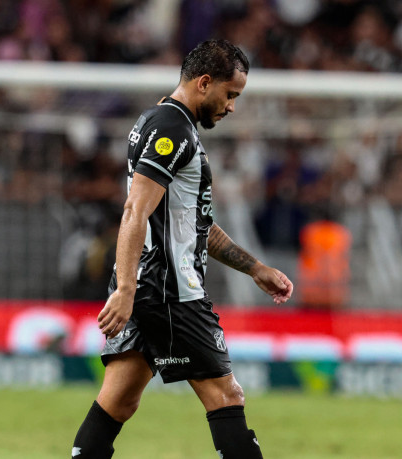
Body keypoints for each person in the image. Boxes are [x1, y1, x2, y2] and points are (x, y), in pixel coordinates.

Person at [71, 39, 294, 459]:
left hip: (145, 288)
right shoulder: (172, 129)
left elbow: (192, 226)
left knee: (118, 401)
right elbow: (135, 209)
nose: (231, 107)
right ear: (204, 83)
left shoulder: (160, 121)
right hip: (170, 292)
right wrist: (125, 291)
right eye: (230, 95)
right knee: (227, 397)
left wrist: (254, 268)